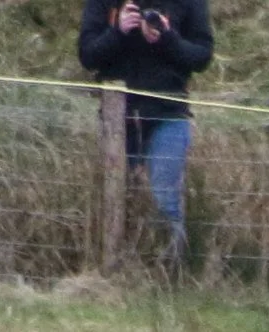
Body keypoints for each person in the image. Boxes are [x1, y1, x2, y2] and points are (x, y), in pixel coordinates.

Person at [77, 0, 213, 263]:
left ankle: (168, 272)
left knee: (165, 200)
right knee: (117, 199)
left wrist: (168, 38)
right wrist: (118, 31)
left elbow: (202, 56)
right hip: (117, 121)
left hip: (169, 114)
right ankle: (117, 269)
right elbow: (87, 55)